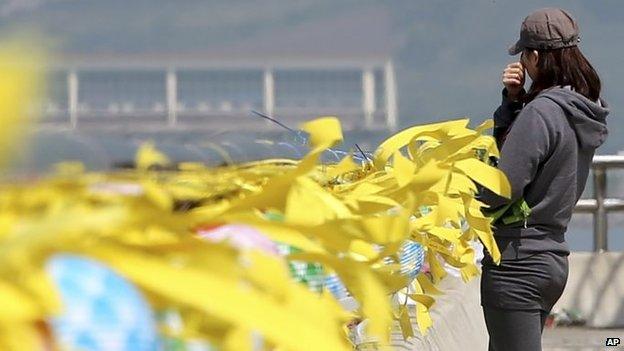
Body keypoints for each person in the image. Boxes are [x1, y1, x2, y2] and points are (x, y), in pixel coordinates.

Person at [479, 8, 609, 351]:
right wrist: (513, 102)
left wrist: (462, 185)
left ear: (534, 56)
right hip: (550, 259)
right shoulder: (580, 107)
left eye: (525, 53)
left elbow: (503, 188)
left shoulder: (541, 112)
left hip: (518, 262)